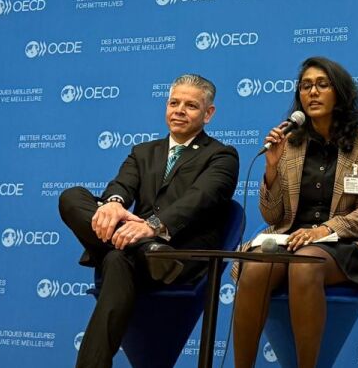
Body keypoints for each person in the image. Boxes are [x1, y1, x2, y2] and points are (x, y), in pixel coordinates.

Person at [58, 74, 239, 368]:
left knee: (116, 258)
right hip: (136, 246)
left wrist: (151, 225)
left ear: (208, 113)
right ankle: (146, 251)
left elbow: (198, 200)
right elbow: (122, 185)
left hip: (179, 254)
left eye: (191, 105)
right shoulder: (143, 151)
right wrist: (114, 203)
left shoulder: (222, 156)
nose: (179, 110)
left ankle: (147, 250)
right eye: (174, 103)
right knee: (71, 197)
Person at [231, 57, 358, 368]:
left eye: (322, 85)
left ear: (340, 93)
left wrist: (322, 231)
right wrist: (271, 169)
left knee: (305, 264)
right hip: (290, 239)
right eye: (305, 86)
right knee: (255, 268)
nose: (312, 92)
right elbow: (272, 217)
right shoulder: (290, 142)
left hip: (342, 243)